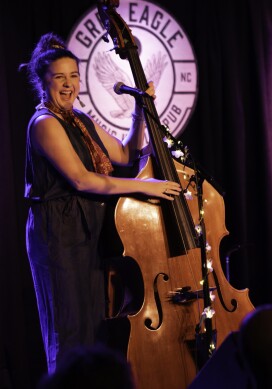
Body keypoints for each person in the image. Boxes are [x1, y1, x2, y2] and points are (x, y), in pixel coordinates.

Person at [21, 32, 182, 373]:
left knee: (93, 327)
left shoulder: (81, 120)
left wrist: (140, 108)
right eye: (59, 78)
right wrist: (144, 187)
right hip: (58, 232)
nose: (69, 85)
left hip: (87, 229)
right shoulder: (44, 124)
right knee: (68, 330)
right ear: (43, 82)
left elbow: (127, 152)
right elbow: (81, 179)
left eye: (74, 76)